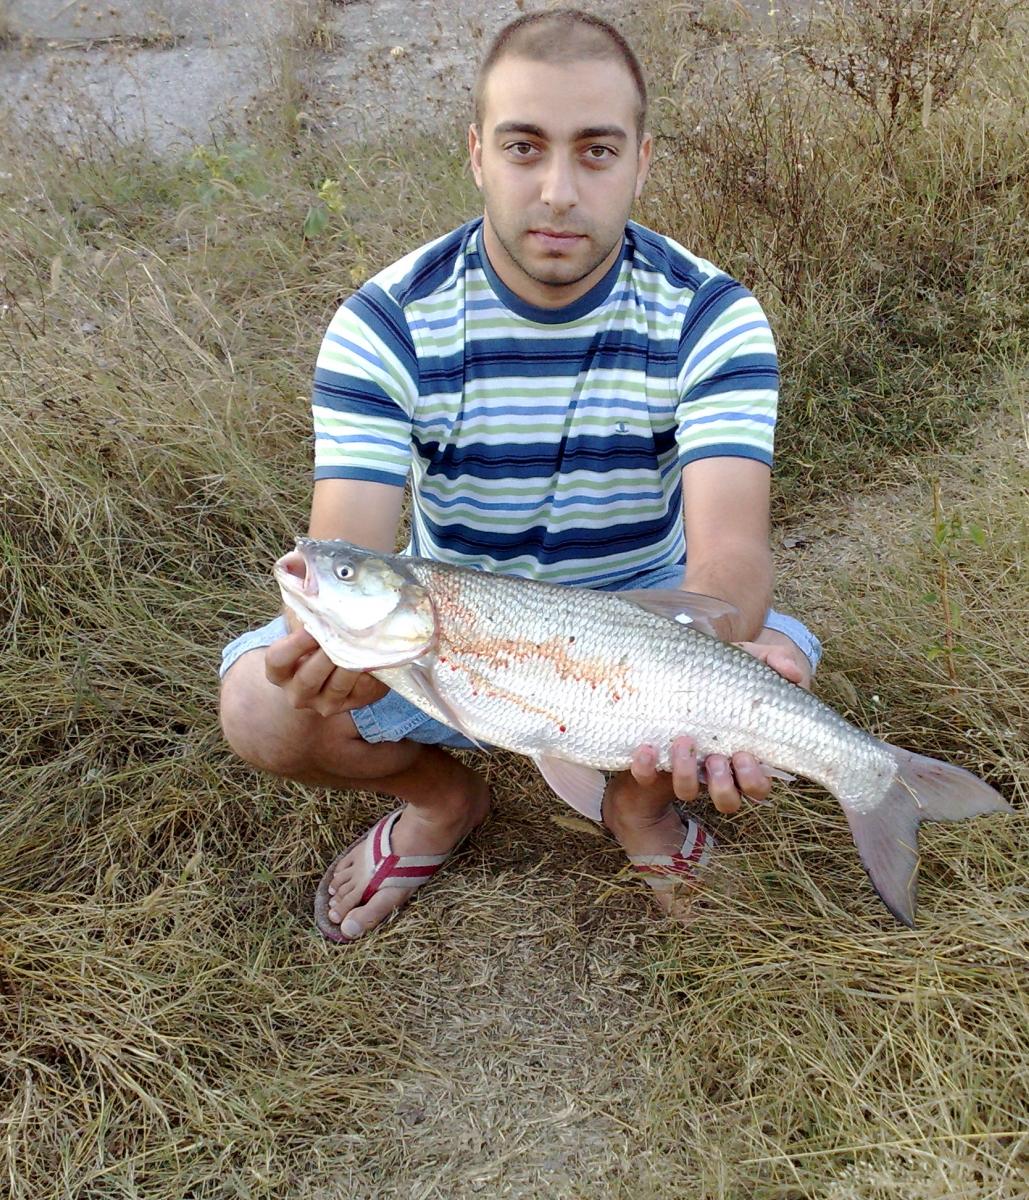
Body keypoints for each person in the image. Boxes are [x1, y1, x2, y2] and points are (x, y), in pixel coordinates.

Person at [218, 9, 821, 943]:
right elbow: (347, 544)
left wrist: (715, 662)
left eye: (596, 151)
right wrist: (328, 652)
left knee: (782, 662)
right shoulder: (387, 323)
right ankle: (442, 799)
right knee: (260, 706)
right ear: (477, 155)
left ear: (641, 163)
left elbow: (731, 555)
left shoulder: (711, 316)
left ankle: (641, 806)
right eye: (524, 147)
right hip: (450, 635)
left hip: (644, 628)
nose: (558, 191)